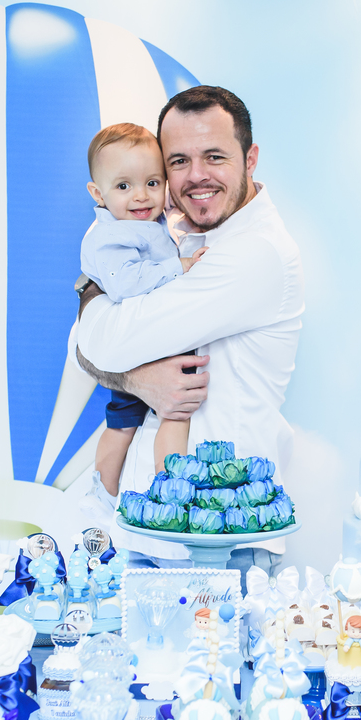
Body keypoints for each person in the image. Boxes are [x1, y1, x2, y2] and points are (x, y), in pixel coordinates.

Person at [75, 86, 304, 584]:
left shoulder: (253, 253)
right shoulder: (180, 237)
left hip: (219, 537)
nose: (196, 175)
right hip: (152, 525)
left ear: (250, 159)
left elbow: (103, 342)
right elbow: (89, 342)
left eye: (214, 157)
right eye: (179, 160)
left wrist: (93, 298)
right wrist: (136, 378)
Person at [81, 123, 209, 496]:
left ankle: (160, 487)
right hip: (140, 344)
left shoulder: (141, 221)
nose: (141, 196)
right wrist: (179, 267)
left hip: (150, 340)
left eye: (152, 183)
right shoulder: (111, 236)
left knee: (137, 420)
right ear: (98, 193)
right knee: (141, 421)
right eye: (123, 186)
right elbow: (125, 284)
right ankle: (109, 492)